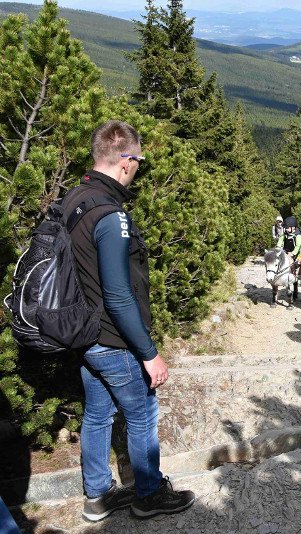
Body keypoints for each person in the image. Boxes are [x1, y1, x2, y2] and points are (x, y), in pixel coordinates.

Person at [64, 120, 194, 522]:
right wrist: (149, 353)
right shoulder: (110, 216)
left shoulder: (74, 199)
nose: (138, 168)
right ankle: (149, 495)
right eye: (139, 161)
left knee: (97, 414)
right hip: (113, 338)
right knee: (142, 415)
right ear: (126, 161)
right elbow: (118, 295)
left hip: (84, 333)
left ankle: (98, 494)